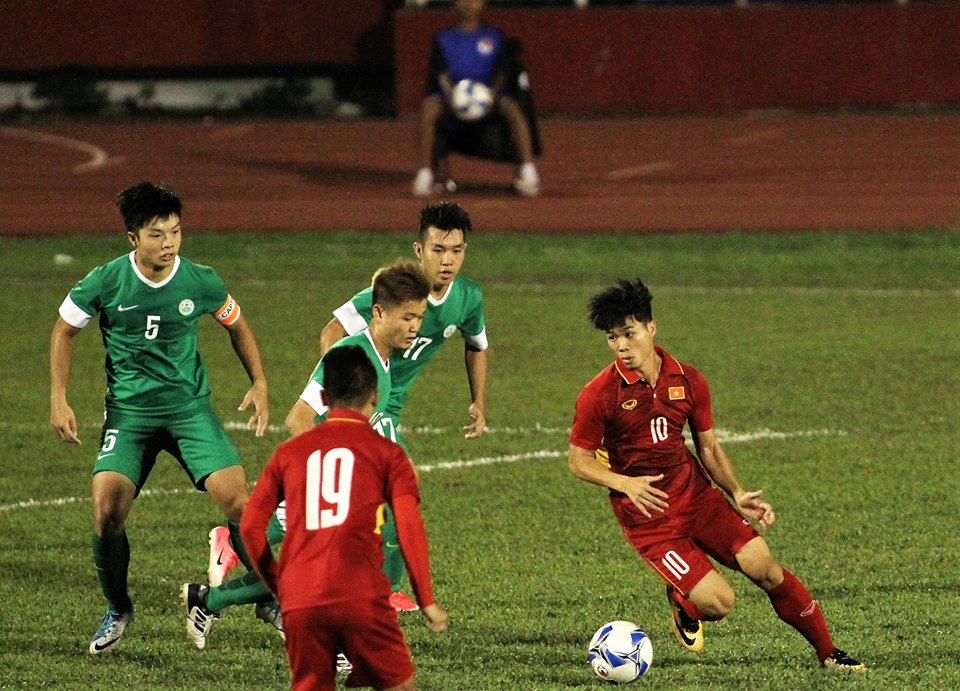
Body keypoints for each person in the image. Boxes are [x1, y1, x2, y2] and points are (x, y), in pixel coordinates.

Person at [567, 278, 866, 672]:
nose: (621, 346)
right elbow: (579, 460)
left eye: (629, 333)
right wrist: (625, 483)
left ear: (651, 328)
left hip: (696, 498)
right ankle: (685, 601)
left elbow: (708, 447)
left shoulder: (687, 380)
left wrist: (737, 492)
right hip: (650, 519)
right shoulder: (599, 394)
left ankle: (828, 653)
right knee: (719, 603)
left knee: (764, 566)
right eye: (612, 338)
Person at [48, 181, 269, 655]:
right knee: (106, 513)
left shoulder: (200, 280)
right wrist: (59, 397)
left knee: (240, 504)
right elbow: (64, 329)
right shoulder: (106, 281)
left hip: (190, 411)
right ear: (133, 238)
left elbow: (236, 324)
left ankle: (266, 597)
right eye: (156, 234)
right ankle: (118, 609)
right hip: (129, 415)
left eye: (175, 232)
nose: (169, 243)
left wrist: (259, 381)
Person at [182, 260, 431, 650]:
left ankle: (209, 596)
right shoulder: (351, 357)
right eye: (408, 317)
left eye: (420, 317)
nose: (415, 327)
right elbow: (298, 419)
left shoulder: (383, 359)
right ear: (379, 313)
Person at [240, 345, 448, 691]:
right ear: (375, 396)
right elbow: (409, 527)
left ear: (324, 397)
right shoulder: (388, 454)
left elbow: (250, 525)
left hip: (301, 600)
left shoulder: (289, 453)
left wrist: (279, 584)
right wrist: (426, 600)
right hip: (360, 595)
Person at [319, 200, 488, 612]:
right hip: (361, 405)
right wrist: (344, 389)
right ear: (419, 250)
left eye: (456, 251)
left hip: (389, 407)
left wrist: (478, 401)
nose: (447, 261)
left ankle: (376, 586)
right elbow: (332, 330)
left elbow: (476, 345)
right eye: (438, 250)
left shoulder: (468, 298)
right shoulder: (397, 292)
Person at [412, 0, 541, 198]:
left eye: (474, 0)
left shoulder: (495, 36)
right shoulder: (443, 38)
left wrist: (492, 94)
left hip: (490, 95)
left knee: (513, 109)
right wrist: (451, 95)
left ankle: (528, 172)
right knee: (429, 107)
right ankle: (424, 174)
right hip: (454, 95)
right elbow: (440, 72)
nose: (469, 5)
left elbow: (502, 71)